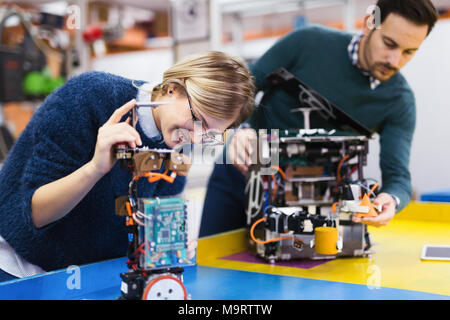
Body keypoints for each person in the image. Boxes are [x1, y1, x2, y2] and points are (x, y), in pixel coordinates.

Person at [0, 51, 255, 282]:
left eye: (211, 132)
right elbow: (34, 214)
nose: (198, 138)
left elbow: (144, 223)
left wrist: (166, 241)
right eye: (197, 119)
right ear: (172, 89)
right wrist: (95, 168)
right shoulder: (89, 97)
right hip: (20, 267)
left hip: (87, 274)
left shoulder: (178, 141)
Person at [200, 0, 438, 237]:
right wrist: (242, 128)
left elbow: (398, 178)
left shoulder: (398, 101)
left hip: (311, 201)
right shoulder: (307, 42)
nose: (395, 61)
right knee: (210, 265)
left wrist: (391, 199)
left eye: (409, 52)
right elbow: (243, 87)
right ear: (369, 24)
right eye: (389, 44)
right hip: (242, 172)